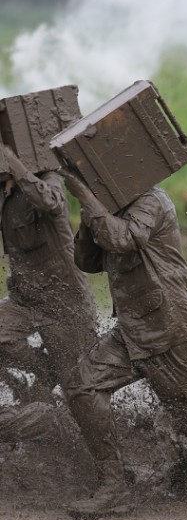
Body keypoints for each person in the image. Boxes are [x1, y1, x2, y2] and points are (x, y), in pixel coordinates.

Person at [60, 171, 187, 519]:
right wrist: (90, 210)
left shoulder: (151, 200)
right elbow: (86, 261)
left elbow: (125, 239)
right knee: (81, 385)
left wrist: (87, 198)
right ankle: (114, 487)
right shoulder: (109, 209)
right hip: (132, 332)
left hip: (170, 333)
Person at [0, 144, 98, 404]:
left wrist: (13, 162)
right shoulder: (4, 195)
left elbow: (49, 201)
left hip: (64, 301)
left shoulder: (49, 179)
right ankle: (46, 371)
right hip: (25, 299)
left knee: (79, 388)